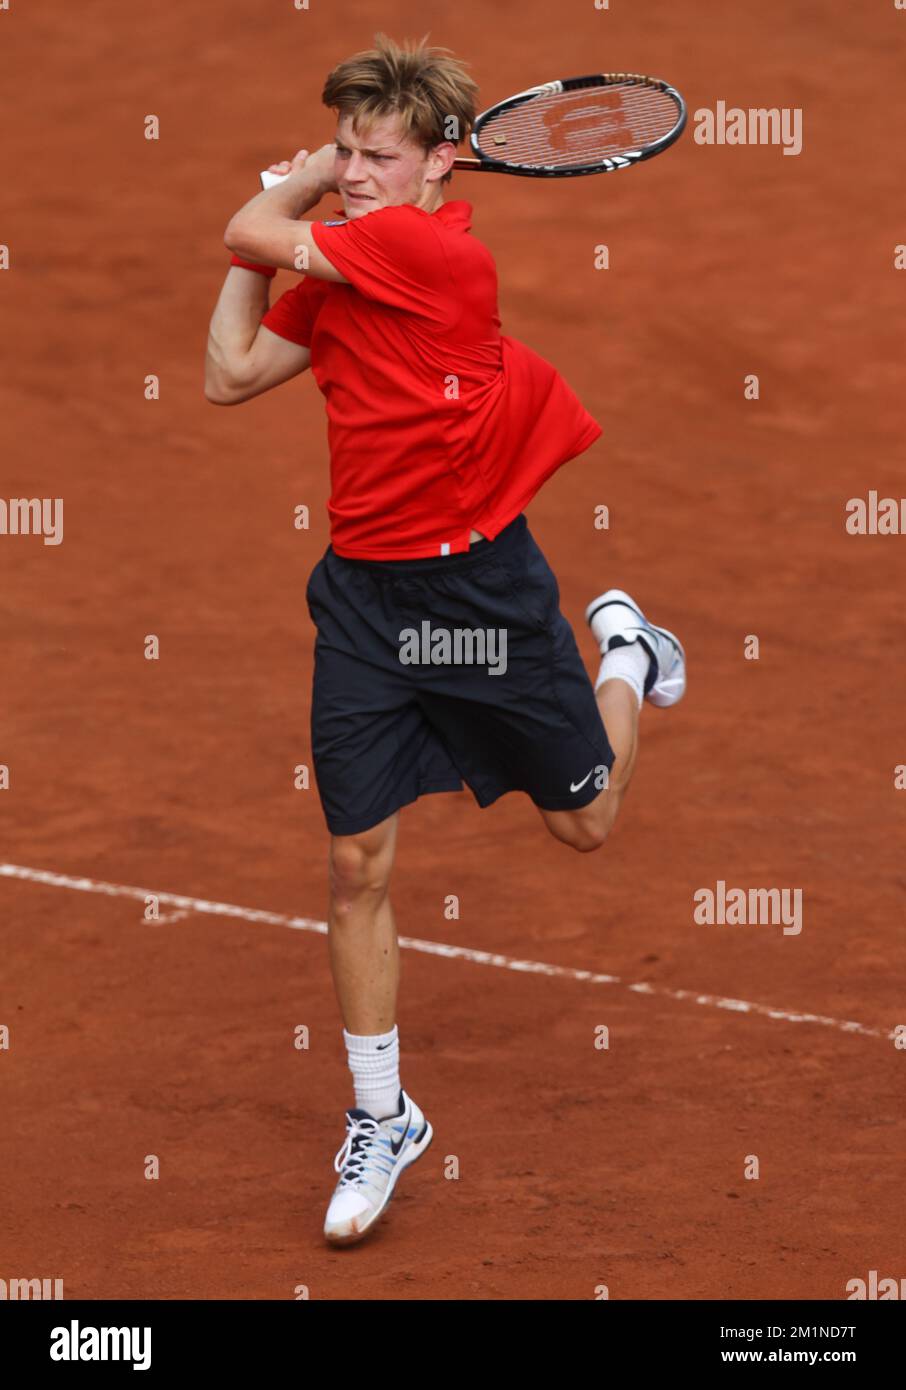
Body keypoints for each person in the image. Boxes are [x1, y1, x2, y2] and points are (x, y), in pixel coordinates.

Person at [206, 33, 685, 1246]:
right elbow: (227, 370)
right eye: (349, 151)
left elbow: (253, 228)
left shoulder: (424, 254)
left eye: (376, 155)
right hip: (366, 610)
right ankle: (383, 1113)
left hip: (481, 605)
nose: (357, 172)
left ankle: (623, 650)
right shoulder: (360, 267)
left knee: (586, 822)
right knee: (357, 862)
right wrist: (273, 236)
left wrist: (298, 183)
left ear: (441, 166)